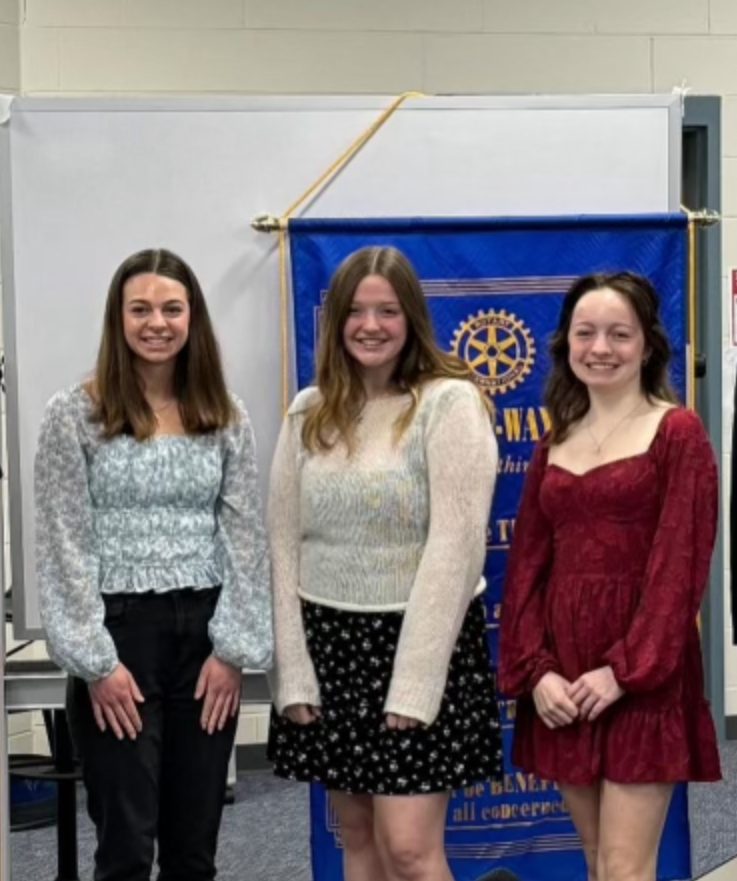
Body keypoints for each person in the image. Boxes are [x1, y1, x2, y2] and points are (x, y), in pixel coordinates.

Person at [35, 248, 272, 881]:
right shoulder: (75, 415)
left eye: (172, 308)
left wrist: (232, 651)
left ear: (193, 318)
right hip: (119, 644)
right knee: (127, 849)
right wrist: (96, 663)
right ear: (119, 318)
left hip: (205, 644)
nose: (156, 323)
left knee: (194, 848)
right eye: (140, 309)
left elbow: (246, 537)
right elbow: (64, 544)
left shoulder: (225, 413)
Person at [267, 245, 502, 881]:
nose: (370, 325)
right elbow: (283, 544)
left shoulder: (449, 404)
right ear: (336, 320)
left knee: (409, 849)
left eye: (388, 311)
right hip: (331, 646)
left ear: (412, 319)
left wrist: (416, 683)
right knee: (359, 838)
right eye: (356, 311)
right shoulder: (308, 410)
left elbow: (456, 546)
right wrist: (292, 672)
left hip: (417, 645)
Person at [499, 272, 721, 881]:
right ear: (566, 344)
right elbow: (527, 569)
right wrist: (536, 670)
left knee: (626, 868)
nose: (601, 348)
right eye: (586, 333)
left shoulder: (678, 433)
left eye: (619, 334)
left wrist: (625, 671)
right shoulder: (554, 443)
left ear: (646, 345)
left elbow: (680, 569)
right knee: (598, 863)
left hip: (640, 680)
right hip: (566, 680)